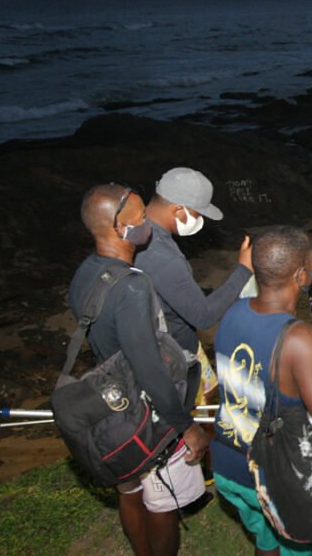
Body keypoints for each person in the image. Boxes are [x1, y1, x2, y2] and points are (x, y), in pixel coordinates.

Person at [69, 183, 209, 556]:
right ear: (119, 228)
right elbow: (149, 368)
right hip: (142, 412)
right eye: (141, 218)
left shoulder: (87, 272)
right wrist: (185, 425)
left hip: (109, 403)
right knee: (162, 503)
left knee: (129, 490)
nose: (148, 223)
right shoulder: (132, 287)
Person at [212, 225, 312, 556]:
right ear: (301, 275)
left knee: (267, 539)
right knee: (294, 545)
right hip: (272, 477)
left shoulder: (232, 313)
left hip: (228, 464)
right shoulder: (299, 338)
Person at [135, 167, 254, 406]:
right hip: (175, 358)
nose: (199, 220)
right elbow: (203, 315)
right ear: (178, 209)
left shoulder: (136, 231)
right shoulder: (162, 256)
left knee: (209, 399)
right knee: (197, 418)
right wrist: (244, 270)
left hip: (167, 341)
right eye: (197, 213)